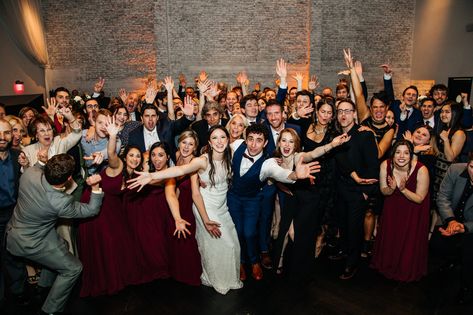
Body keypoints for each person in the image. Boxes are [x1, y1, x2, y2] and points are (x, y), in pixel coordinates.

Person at [128, 126, 241, 295]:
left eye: (222, 137)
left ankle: (225, 274)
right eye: (184, 142)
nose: (187, 147)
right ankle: (198, 274)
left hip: (212, 203)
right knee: (200, 244)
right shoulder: (184, 158)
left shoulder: (227, 154)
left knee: (229, 243)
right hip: (191, 205)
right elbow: (175, 180)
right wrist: (151, 174)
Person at [5, 154, 104, 315]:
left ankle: (43, 287)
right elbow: (91, 210)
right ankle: (50, 310)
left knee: (62, 245)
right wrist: (95, 188)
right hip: (31, 242)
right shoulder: (60, 202)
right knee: (74, 268)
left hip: (15, 230)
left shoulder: (29, 174)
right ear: (69, 178)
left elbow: (38, 167)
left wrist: (41, 161)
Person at [227, 124, 320, 281]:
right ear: (245, 139)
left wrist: (295, 175)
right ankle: (242, 262)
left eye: (259, 140)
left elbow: (282, 174)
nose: (253, 144)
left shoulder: (268, 163)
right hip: (234, 198)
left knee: (250, 232)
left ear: (265, 143)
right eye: (250, 139)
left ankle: (255, 261)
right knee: (238, 232)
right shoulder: (236, 145)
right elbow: (219, 151)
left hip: (252, 200)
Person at [272, 128, 349, 280]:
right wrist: (282, 187)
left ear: (296, 145)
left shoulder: (298, 157)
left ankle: (300, 268)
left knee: (295, 233)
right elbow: (274, 178)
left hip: (307, 199)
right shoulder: (275, 160)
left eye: (291, 141)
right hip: (291, 198)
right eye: (284, 140)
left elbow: (313, 154)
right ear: (279, 143)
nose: (287, 145)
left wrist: (332, 145)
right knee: (285, 231)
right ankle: (280, 263)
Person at [77, 116, 141, 297]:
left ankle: (114, 277)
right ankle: (103, 280)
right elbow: (111, 154)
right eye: (131, 155)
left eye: (137, 156)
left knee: (117, 242)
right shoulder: (118, 165)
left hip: (110, 208)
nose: (134, 159)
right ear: (125, 156)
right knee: (106, 242)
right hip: (95, 203)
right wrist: (112, 136)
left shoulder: (135, 174)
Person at [371, 140, 430, 282]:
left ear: (411, 155)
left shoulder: (422, 170)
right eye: (398, 152)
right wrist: (391, 189)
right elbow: (384, 191)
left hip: (413, 211)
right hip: (392, 208)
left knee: (408, 240)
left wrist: (403, 190)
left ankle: (405, 268)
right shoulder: (385, 164)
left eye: (406, 153)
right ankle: (388, 264)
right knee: (391, 235)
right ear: (393, 153)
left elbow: (420, 198)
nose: (401, 156)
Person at [433, 156, 473, 304]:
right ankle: (453, 258)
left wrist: (464, 227)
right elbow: (442, 197)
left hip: (470, 226)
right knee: (437, 245)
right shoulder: (455, 169)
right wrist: (451, 220)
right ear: (468, 164)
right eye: (472, 167)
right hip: (451, 218)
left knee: (469, 256)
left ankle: (465, 288)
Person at [167, 131, 203, 286]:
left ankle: (190, 273)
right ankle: (176, 270)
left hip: (189, 204)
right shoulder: (176, 156)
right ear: (179, 142)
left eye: (190, 144)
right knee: (175, 236)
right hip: (177, 201)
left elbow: (195, 193)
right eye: (184, 142)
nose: (186, 147)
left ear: (195, 148)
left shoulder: (194, 163)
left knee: (187, 238)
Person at [0, 119, 21, 307]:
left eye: (6, 133)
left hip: (13, 214)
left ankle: (18, 294)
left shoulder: (17, 156)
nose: (2, 137)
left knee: (13, 254)